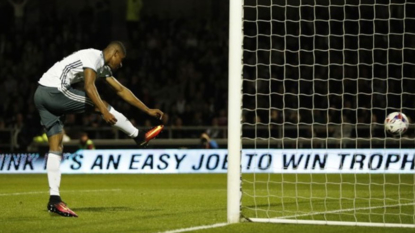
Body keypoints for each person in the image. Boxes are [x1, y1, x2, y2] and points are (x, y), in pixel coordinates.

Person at [34, 41, 164, 217]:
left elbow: (121, 90)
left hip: (40, 94)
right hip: (54, 91)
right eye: (121, 59)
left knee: (56, 146)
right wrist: (103, 111)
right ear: (114, 54)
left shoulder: (102, 66)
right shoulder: (93, 56)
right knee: (101, 104)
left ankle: (54, 200)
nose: (121, 64)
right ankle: (138, 136)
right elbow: (89, 86)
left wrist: (147, 109)